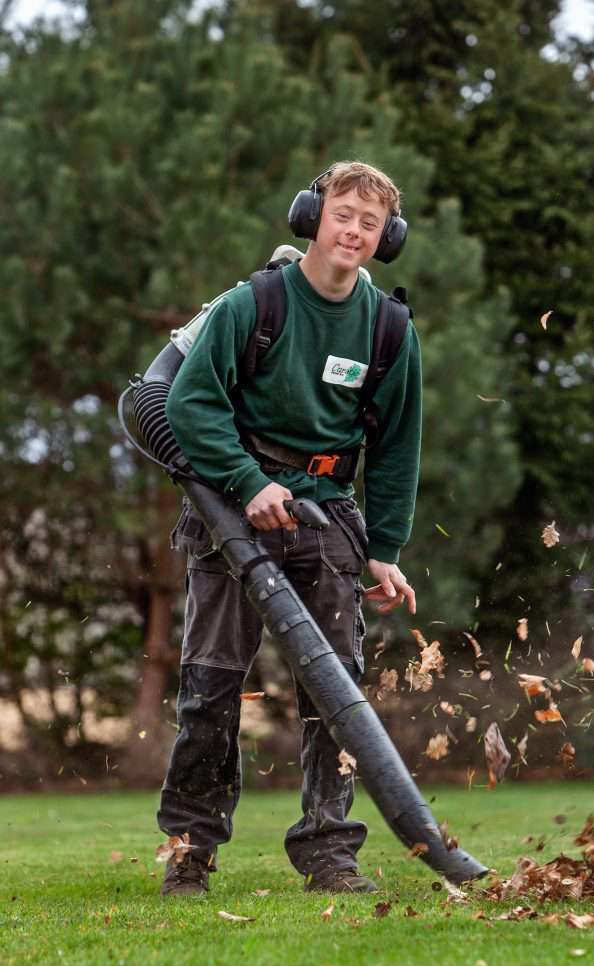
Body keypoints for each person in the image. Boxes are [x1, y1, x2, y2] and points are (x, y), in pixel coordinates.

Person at [156, 161, 423, 896]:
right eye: (343, 214)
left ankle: (330, 851)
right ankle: (190, 848)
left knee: (333, 693)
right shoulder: (256, 303)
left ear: (386, 238)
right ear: (312, 216)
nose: (354, 231)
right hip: (232, 508)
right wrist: (247, 482)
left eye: (371, 223)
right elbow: (188, 405)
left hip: (327, 511)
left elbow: (397, 446)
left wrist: (386, 549)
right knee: (210, 689)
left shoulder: (389, 328)